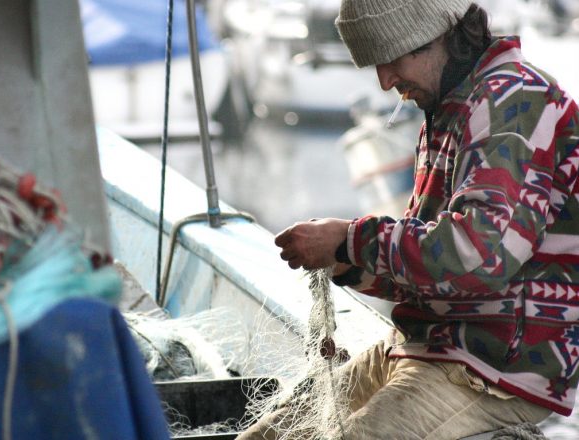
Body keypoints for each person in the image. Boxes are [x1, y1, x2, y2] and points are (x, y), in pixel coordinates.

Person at [240, 0, 579, 438]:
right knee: (269, 435)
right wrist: (348, 264)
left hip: (494, 369)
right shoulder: (452, 106)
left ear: (437, 36)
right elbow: (431, 273)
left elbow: (480, 256)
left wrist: (350, 240)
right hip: (427, 345)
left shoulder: (513, 100)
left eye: (391, 59)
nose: (385, 81)